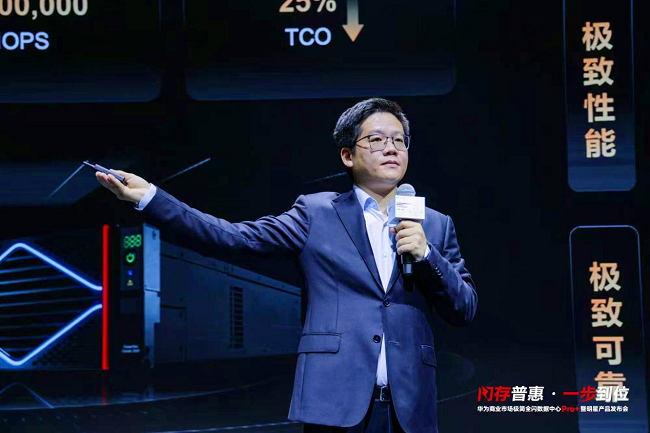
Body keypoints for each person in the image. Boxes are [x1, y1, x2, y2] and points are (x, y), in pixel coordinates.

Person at [95, 98, 477, 433]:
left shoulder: (435, 225)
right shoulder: (316, 213)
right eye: (376, 139)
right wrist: (151, 198)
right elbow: (233, 237)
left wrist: (427, 255)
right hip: (335, 403)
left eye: (399, 140)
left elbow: (464, 308)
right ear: (348, 155)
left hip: (410, 409)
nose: (390, 148)